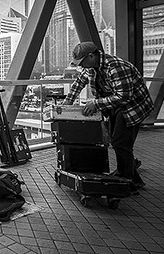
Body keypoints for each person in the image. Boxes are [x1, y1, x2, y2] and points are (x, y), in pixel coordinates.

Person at [63, 42, 153, 189]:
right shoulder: (92, 67)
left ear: (92, 56)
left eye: (82, 62)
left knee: (120, 143)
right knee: (118, 141)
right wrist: (67, 103)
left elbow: (124, 97)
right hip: (114, 106)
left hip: (132, 107)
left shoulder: (116, 67)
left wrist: (96, 104)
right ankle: (131, 177)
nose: (81, 66)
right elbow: (79, 83)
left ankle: (126, 180)